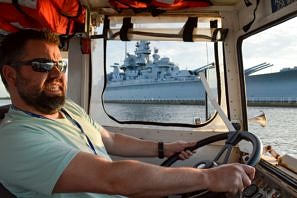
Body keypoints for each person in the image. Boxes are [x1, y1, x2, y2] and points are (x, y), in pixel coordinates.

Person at [0, 29, 255, 198]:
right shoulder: (12, 141)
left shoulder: (68, 109)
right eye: (43, 65)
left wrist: (164, 148)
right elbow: (111, 178)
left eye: (60, 64)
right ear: (10, 74)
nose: (57, 74)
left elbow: (109, 140)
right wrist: (206, 176)